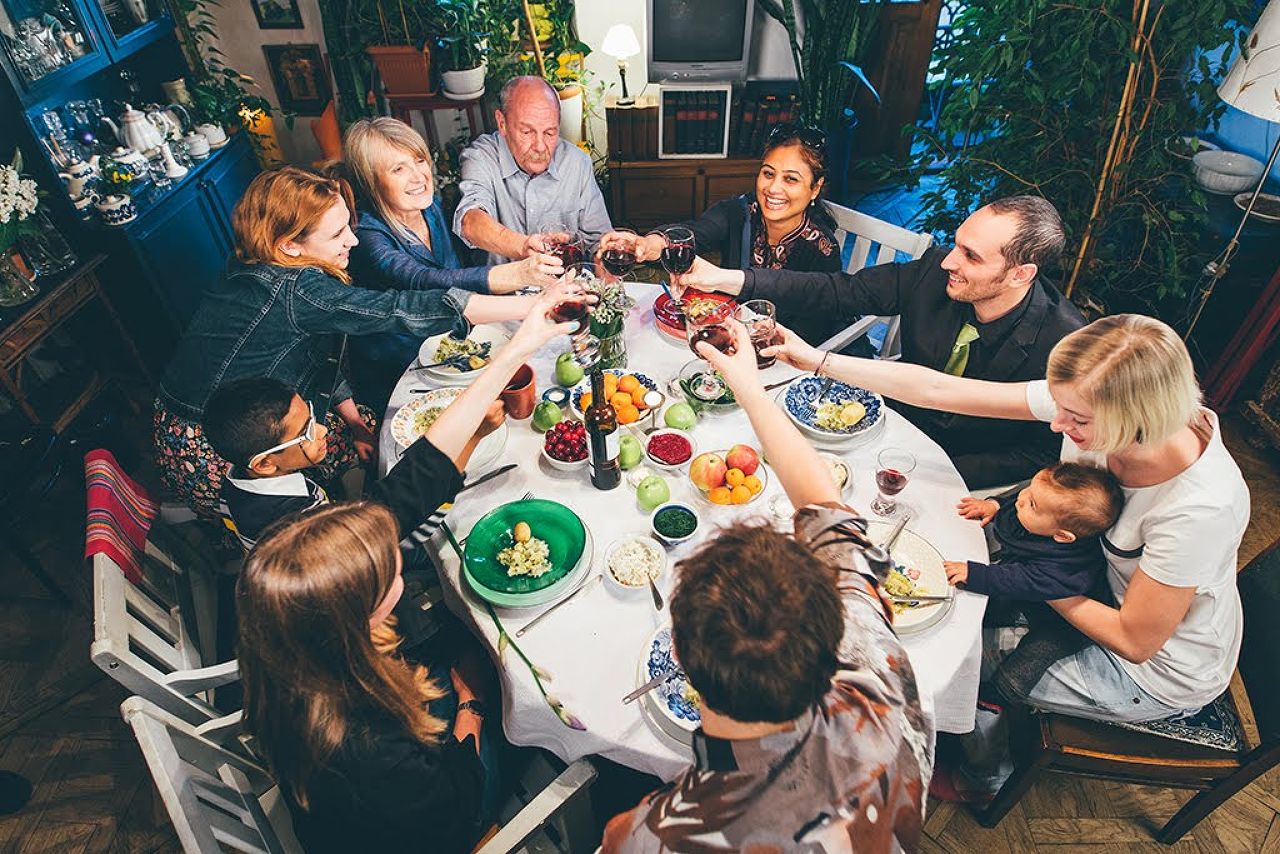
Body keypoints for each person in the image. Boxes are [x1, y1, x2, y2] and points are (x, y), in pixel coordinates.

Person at [763, 313, 1250, 796]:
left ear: (1138, 420)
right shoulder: (1101, 402)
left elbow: (1134, 640)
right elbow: (941, 390)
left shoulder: (1199, 509)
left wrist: (1036, 579)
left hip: (1151, 668)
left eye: (1075, 421)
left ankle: (982, 778)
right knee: (950, 613)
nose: (1057, 425)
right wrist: (818, 360)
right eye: (1060, 408)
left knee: (964, 661)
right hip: (1080, 583)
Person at [603, 320, 930, 853]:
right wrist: (750, 387)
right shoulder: (879, 678)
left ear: (679, 652)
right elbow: (828, 508)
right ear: (836, 626)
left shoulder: (653, 837)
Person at [154, 166, 583, 519]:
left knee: (369, 440)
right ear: (289, 245)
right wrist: (530, 309)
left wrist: (353, 420)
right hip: (211, 443)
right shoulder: (296, 289)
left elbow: (316, 355)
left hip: (278, 409)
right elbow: (400, 308)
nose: (353, 241)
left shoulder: (263, 260)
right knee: (337, 525)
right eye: (338, 233)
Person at [672, 195, 1085, 488]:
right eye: (956, 244)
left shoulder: (1065, 344)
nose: (948, 261)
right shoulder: (934, 272)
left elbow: (1043, 452)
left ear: (1021, 274)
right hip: (890, 430)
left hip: (959, 472)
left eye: (971, 256)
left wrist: (937, 473)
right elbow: (836, 290)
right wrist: (729, 279)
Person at [237, 501, 497, 852]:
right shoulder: (372, 749)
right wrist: (472, 701)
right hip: (435, 827)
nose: (398, 561)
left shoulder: (281, 645)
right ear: (357, 617)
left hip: (361, 805)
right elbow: (458, 812)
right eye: (387, 570)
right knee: (517, 708)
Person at [343, 117, 566, 411]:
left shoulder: (431, 206)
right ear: (372, 182)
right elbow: (426, 280)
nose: (418, 177)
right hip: (401, 375)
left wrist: (523, 246)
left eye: (419, 161)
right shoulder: (367, 235)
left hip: (455, 351)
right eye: (398, 169)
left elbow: (463, 263)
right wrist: (519, 273)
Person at [606, 123, 840, 276]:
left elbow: (814, 326)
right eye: (768, 173)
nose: (773, 188)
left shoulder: (822, 250)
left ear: (815, 188)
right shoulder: (741, 211)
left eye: (790, 179)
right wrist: (648, 245)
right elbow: (696, 233)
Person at [453, 76, 612, 264]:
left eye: (549, 133)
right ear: (502, 123)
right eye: (527, 132)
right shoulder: (480, 157)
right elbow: (470, 222)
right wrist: (523, 246)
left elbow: (598, 244)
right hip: (502, 291)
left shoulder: (577, 162)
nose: (540, 146)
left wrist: (604, 263)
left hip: (565, 287)